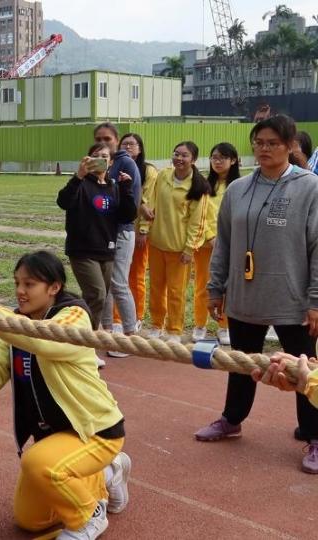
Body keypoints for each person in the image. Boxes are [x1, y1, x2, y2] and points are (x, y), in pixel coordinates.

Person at [0, 251, 130, 540]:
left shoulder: (74, 315)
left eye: (30, 284)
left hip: (95, 431)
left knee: (38, 464)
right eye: (17, 283)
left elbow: (45, 340)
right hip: (55, 438)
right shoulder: (14, 326)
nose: (21, 292)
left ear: (54, 287)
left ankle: (89, 516)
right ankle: (110, 473)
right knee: (30, 520)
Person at [197, 115, 318, 474]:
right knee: (242, 363)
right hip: (245, 294)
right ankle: (231, 420)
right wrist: (215, 287)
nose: (264, 149)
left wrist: (315, 300)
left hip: (291, 297)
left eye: (272, 143)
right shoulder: (238, 189)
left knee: (304, 371)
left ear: (290, 146)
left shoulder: (309, 187)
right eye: (259, 142)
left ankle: (314, 437)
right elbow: (225, 244)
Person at [57, 143, 137, 333]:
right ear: (88, 160)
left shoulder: (114, 187)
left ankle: (81, 334)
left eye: (105, 156)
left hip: (107, 250)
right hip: (82, 250)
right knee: (98, 295)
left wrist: (127, 189)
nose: (101, 159)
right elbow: (64, 201)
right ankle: (87, 341)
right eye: (95, 156)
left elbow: (127, 216)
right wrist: (78, 176)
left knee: (96, 297)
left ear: (110, 162)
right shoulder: (81, 184)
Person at [139, 142, 210, 343]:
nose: (179, 158)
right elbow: (150, 203)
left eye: (184, 155)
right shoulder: (163, 176)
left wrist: (190, 249)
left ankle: (175, 330)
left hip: (179, 250)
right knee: (156, 287)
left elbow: (198, 222)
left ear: (193, 160)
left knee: (176, 292)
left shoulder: (199, 186)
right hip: (156, 244)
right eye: (176, 154)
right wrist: (144, 228)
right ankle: (156, 324)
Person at [93, 124, 142, 348]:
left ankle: (131, 335)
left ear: (116, 139)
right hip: (102, 232)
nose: (104, 143)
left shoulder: (126, 163)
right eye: (98, 139)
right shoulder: (94, 164)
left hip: (122, 230)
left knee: (119, 283)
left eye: (108, 139)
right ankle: (107, 332)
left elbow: (131, 203)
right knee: (105, 285)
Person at [191, 143, 240, 345]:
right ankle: (200, 324)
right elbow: (201, 214)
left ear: (233, 160)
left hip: (232, 244)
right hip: (206, 244)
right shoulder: (203, 184)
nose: (217, 162)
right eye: (214, 158)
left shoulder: (239, 185)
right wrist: (210, 236)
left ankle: (224, 326)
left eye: (222, 158)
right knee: (203, 285)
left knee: (229, 286)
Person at [109, 134, 158, 339]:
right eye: (125, 143)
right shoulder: (114, 165)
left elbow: (147, 200)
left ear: (140, 147)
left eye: (132, 144)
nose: (128, 146)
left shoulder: (148, 170)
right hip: (118, 228)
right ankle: (117, 320)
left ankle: (136, 317)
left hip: (137, 230)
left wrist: (143, 229)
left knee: (135, 275)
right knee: (119, 279)